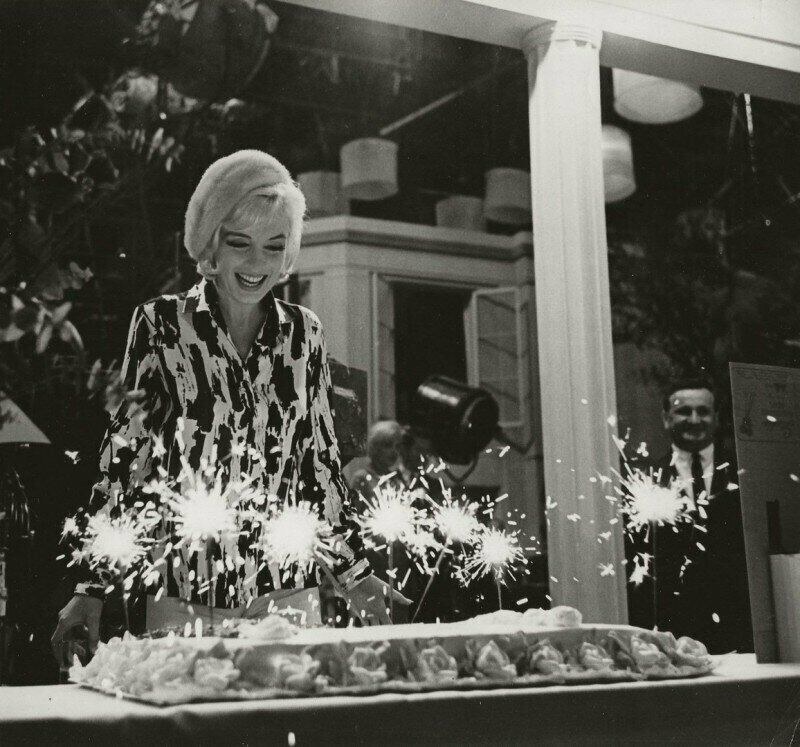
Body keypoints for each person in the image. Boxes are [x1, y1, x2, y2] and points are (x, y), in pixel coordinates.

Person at [51, 150, 408, 664]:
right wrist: (91, 585)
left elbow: (319, 466)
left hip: (287, 596)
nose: (257, 263)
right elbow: (126, 459)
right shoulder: (161, 326)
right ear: (211, 244)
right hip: (181, 596)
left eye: (274, 247)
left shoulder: (304, 334)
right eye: (240, 243)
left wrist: (355, 575)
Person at [627, 378, 752, 653]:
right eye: (684, 411)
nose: (694, 420)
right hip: (673, 629)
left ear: (716, 418)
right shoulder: (646, 480)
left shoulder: (744, 473)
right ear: (666, 418)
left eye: (703, 411)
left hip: (738, 626)